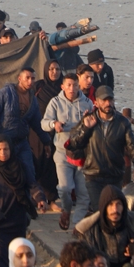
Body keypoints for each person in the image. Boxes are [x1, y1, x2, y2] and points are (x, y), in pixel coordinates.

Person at [65, 86, 134, 213]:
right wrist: (86, 128)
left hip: (115, 175)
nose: (108, 103)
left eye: (110, 100)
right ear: (96, 102)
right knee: (99, 211)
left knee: (113, 211)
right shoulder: (88, 119)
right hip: (93, 174)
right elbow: (74, 143)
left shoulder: (122, 122)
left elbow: (132, 145)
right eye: (104, 100)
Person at [0, 134, 43, 267]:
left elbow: (32, 184)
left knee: (17, 262)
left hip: (16, 221)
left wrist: (40, 198)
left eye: (6, 149)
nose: (3, 153)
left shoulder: (20, 167)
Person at [41, 71, 93, 230]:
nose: (72, 88)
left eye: (75, 85)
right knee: (65, 189)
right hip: (63, 152)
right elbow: (44, 122)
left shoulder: (87, 103)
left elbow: (94, 125)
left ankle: (77, 226)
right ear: (63, 86)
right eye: (69, 85)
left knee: (84, 193)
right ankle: (66, 209)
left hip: (82, 153)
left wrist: (88, 121)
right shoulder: (55, 102)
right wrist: (54, 124)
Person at [0, 68, 41, 187]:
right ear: (19, 78)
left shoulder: (33, 99)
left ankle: (35, 199)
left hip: (22, 141)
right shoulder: (5, 93)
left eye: (33, 78)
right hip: (4, 141)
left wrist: (46, 141)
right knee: (3, 172)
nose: (30, 81)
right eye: (27, 78)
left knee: (29, 170)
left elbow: (37, 123)